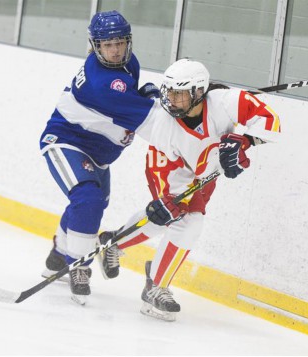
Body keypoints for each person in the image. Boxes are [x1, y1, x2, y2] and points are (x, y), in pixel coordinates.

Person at [97, 59, 281, 321]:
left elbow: (272, 124)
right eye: (168, 92)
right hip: (172, 166)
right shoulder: (163, 125)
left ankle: (114, 243)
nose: (171, 100)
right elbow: (163, 175)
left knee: (174, 220)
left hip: (204, 168)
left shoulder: (226, 102)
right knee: (183, 220)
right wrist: (165, 201)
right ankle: (156, 287)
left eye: (179, 94)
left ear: (198, 93)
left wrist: (245, 141)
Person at [39, 10, 161, 304]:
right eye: (108, 45)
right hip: (67, 141)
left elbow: (133, 97)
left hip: (99, 153)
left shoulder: (129, 64)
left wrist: (148, 93)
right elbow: (151, 121)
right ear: (95, 46)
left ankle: (59, 253)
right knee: (88, 199)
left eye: (119, 42)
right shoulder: (103, 83)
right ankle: (78, 265)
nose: (115, 50)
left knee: (90, 204)